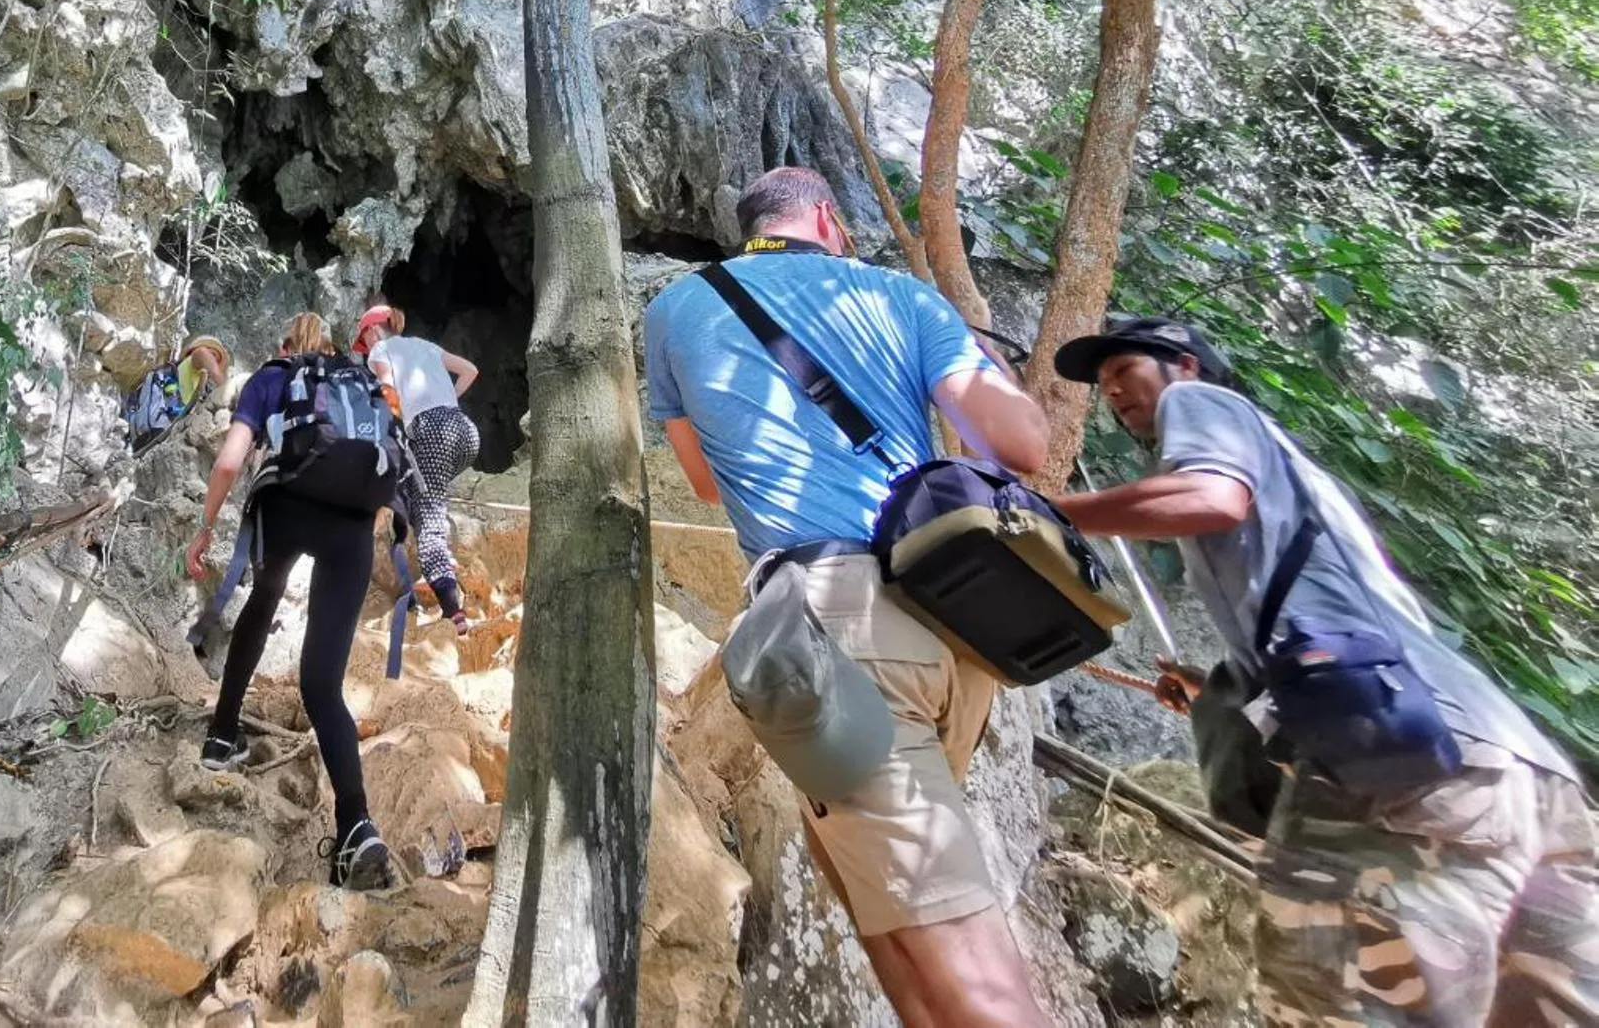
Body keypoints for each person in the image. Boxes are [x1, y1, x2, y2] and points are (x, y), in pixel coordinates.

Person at [1053, 315, 1599, 1026]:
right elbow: (1327, 633)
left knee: (1333, 998)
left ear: (1183, 366)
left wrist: (1045, 509)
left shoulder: (1202, 404)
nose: (1114, 391)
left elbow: (1211, 498)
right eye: (1103, 385)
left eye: (1124, 369)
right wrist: (1215, 690)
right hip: (1518, 769)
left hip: (1404, 767)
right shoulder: (1303, 495)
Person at [643, 166, 1054, 1028]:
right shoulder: (901, 297)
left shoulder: (677, 309)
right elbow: (1022, 444)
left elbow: (703, 484)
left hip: (838, 638)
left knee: (963, 968)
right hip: (957, 627)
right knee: (898, 928)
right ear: (828, 219)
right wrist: (975, 359)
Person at [186, 313, 393, 890]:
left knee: (264, 598)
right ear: (330, 349)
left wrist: (204, 530)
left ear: (283, 345)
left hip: (287, 506)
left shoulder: (272, 377)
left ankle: (222, 736)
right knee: (322, 686)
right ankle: (357, 827)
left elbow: (230, 461)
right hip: (353, 525)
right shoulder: (355, 381)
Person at [352, 304, 479, 634]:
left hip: (430, 433)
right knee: (421, 495)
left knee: (428, 521)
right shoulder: (425, 345)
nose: (365, 347)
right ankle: (437, 556)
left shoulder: (380, 348)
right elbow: (470, 370)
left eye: (363, 339)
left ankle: (454, 612)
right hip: (464, 431)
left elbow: (387, 386)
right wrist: (446, 399)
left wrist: (391, 426)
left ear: (371, 330)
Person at [123, 334, 233, 455]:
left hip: (156, 430)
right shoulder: (194, 359)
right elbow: (202, 353)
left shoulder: (197, 379)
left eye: (217, 360)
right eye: (213, 354)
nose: (213, 361)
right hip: (159, 429)